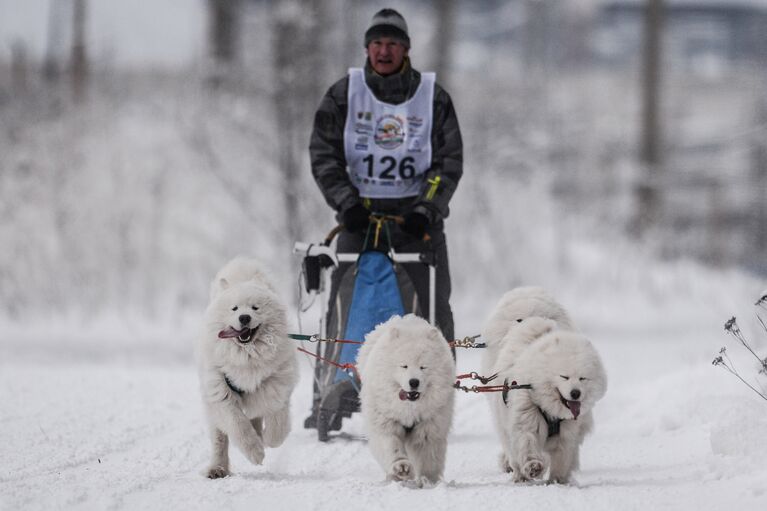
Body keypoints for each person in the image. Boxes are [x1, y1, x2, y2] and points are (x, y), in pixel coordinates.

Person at [306, 8, 463, 435]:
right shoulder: (344, 94)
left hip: (416, 221)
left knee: (432, 311)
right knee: (342, 303)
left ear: (406, 49)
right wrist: (345, 202)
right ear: (367, 49)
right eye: (377, 43)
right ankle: (331, 391)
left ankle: (437, 401)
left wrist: (426, 208)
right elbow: (323, 154)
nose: (384, 50)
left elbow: (448, 162)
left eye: (392, 43)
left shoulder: (433, 98)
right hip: (360, 216)